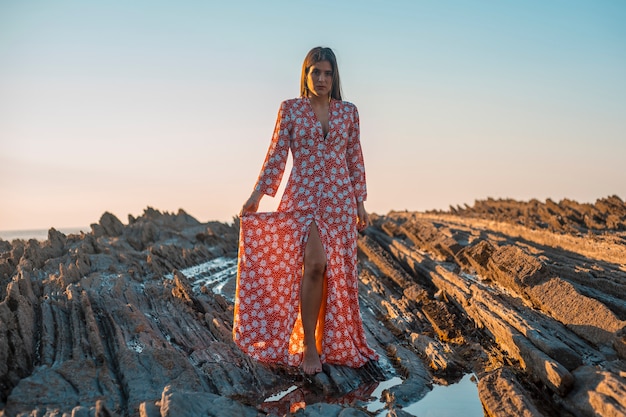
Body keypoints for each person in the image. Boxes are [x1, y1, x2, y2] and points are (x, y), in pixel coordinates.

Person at [233, 46, 378, 375]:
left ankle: (324, 340)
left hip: (339, 202)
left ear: (334, 76)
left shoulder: (348, 112)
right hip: (301, 199)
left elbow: (354, 158)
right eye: (316, 72)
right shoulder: (291, 110)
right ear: (306, 74)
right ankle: (309, 348)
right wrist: (258, 195)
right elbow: (276, 154)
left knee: (329, 274)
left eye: (328, 73)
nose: (322, 78)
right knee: (314, 263)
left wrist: (360, 203)